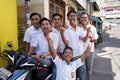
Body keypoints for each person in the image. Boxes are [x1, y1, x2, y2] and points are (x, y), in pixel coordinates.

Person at [60, 10, 90, 80]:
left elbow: (84, 40)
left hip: (80, 55)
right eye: (70, 16)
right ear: (68, 18)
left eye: (74, 16)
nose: (72, 17)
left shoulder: (80, 29)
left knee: (81, 75)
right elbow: (66, 43)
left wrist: (88, 33)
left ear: (77, 17)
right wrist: (62, 34)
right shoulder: (65, 30)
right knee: (72, 76)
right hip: (71, 57)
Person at [79, 12, 98, 80]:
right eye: (82, 17)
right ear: (80, 19)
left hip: (90, 51)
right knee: (82, 70)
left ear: (88, 19)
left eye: (85, 17)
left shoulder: (92, 27)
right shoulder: (78, 28)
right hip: (80, 52)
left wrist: (90, 39)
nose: (84, 19)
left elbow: (95, 40)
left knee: (89, 69)